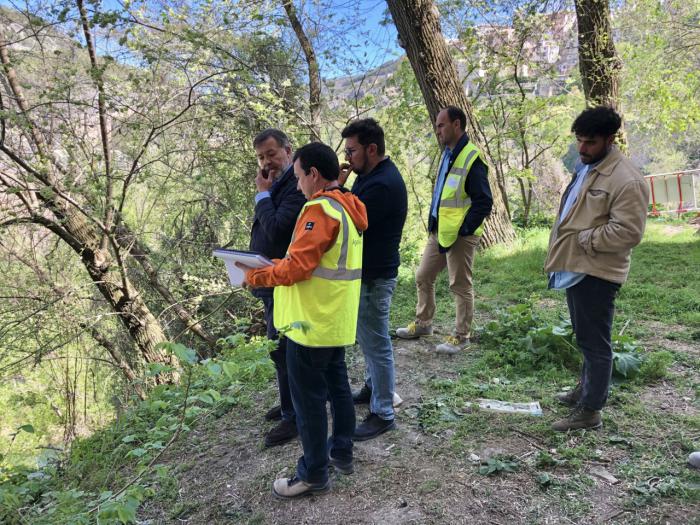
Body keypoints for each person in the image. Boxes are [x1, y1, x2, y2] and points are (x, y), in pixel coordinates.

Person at [241, 142, 368, 499]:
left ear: (313, 174)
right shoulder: (346, 206)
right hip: (334, 321)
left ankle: (312, 473)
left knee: (309, 402)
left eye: (298, 177)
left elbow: (297, 266)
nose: (297, 185)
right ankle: (341, 451)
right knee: (339, 390)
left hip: (309, 326)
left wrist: (255, 276)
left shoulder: (320, 210)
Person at [545, 106, 648, 432]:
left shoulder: (627, 179)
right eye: (579, 140)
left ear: (609, 139)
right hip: (578, 265)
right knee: (584, 335)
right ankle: (585, 390)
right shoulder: (590, 165)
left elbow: (630, 233)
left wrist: (585, 239)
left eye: (589, 142)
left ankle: (591, 411)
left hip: (597, 270)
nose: (582, 148)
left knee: (595, 342)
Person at [396, 106, 493, 354]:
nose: (437, 129)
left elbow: (484, 201)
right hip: (439, 231)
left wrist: (465, 229)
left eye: (441, 125)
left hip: (460, 235)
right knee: (422, 275)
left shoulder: (472, 157)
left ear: (457, 125)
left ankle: (462, 336)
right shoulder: (447, 154)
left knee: (460, 284)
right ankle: (424, 323)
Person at [339, 118, 408, 441]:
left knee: (377, 343)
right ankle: (372, 387)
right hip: (368, 275)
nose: (347, 158)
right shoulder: (369, 176)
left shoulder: (382, 184)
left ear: (371, 148)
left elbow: (351, 222)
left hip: (374, 277)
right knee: (368, 339)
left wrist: (334, 190)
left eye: (351, 151)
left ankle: (383, 411)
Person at [249, 129, 306, 447]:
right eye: (260, 157)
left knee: (282, 349)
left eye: (271, 154)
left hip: (282, 278)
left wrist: (261, 195)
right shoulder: (275, 184)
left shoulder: (295, 186)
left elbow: (276, 228)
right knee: (279, 348)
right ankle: (289, 406)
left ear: (287, 150)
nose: (266, 162)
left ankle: (293, 417)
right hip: (268, 278)